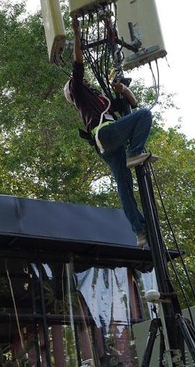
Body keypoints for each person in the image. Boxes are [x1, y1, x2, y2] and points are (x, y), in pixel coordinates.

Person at [64, 17, 153, 248]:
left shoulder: (100, 101)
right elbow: (78, 66)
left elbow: (130, 103)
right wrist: (77, 34)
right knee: (144, 116)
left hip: (108, 145)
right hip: (106, 135)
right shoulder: (79, 93)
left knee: (124, 187)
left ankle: (140, 231)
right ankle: (136, 152)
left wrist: (123, 89)